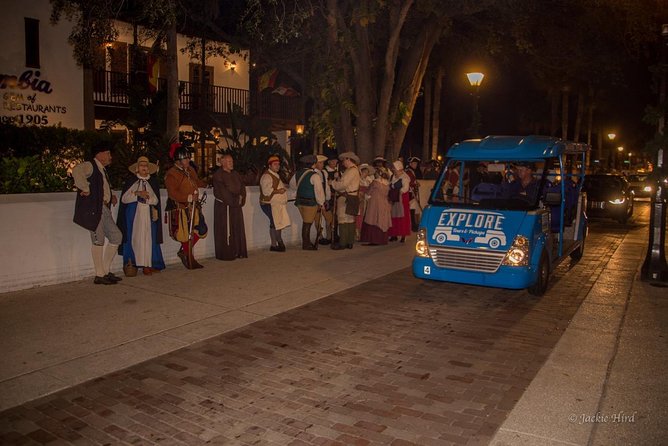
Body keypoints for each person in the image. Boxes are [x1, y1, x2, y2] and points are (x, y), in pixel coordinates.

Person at [72, 143, 123, 285]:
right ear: (99, 154)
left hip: (103, 208)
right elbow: (76, 171)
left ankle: (105, 271)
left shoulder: (101, 170)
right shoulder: (90, 166)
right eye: (107, 153)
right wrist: (85, 188)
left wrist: (110, 196)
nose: (110, 156)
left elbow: (102, 187)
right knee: (98, 239)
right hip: (95, 208)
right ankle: (99, 274)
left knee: (116, 236)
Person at [117, 156, 165, 276]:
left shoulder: (152, 182)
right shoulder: (131, 182)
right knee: (136, 239)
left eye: (146, 166)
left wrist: (147, 198)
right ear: (137, 169)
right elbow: (124, 198)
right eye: (141, 165)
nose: (144, 168)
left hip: (148, 217)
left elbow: (156, 200)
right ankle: (133, 263)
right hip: (134, 217)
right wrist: (138, 194)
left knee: (148, 240)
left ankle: (147, 265)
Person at [165, 143, 208, 269]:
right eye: (186, 158)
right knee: (184, 234)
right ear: (178, 160)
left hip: (194, 206)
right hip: (181, 207)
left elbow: (196, 181)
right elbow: (172, 193)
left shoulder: (190, 170)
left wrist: (206, 185)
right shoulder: (171, 174)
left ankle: (184, 252)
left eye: (189, 158)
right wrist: (188, 197)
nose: (189, 160)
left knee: (201, 229)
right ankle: (188, 256)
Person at [212, 153, 247, 260]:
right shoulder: (218, 175)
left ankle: (238, 251)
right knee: (225, 229)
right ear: (222, 163)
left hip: (236, 206)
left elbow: (242, 187)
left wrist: (241, 197)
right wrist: (236, 200)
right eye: (229, 162)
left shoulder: (236, 174)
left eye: (232, 161)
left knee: (237, 227)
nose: (232, 163)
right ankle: (227, 253)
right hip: (224, 207)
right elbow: (223, 192)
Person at [291, 154, 327, 250]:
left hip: (300, 202)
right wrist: (322, 203)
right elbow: (319, 191)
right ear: (313, 164)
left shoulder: (298, 174)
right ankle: (306, 244)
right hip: (310, 203)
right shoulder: (315, 176)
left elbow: (292, 185)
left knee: (306, 222)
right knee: (307, 224)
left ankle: (307, 243)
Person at [330, 151, 361, 250]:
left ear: (348, 159)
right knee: (349, 219)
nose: (343, 162)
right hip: (352, 196)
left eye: (344, 160)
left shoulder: (351, 171)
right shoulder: (353, 170)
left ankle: (343, 243)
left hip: (346, 197)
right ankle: (349, 242)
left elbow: (343, 185)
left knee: (343, 219)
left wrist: (333, 183)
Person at [260, 155, 291, 252]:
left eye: (278, 164)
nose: (277, 166)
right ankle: (278, 242)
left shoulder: (274, 175)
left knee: (275, 223)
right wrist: (278, 191)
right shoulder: (266, 176)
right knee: (276, 223)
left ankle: (274, 244)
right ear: (269, 166)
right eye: (275, 164)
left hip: (275, 204)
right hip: (269, 204)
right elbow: (266, 191)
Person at [360, 167, 393, 245]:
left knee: (374, 220)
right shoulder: (387, 183)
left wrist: (365, 196)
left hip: (375, 204)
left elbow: (368, 192)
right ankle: (383, 239)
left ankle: (374, 240)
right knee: (382, 220)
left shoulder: (375, 182)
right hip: (385, 203)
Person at [388, 160, 411, 242]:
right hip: (394, 198)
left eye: (394, 168)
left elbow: (405, 188)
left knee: (402, 217)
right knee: (393, 216)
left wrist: (397, 192)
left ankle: (403, 235)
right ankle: (393, 234)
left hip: (402, 198)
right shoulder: (392, 177)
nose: (393, 170)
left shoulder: (404, 178)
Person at [356, 163, 374, 239]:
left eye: (367, 172)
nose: (366, 174)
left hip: (366, 200)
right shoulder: (358, 180)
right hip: (359, 200)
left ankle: (364, 233)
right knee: (359, 216)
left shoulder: (367, 180)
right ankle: (358, 233)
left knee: (365, 216)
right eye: (365, 172)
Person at [406, 156, 422, 231]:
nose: (415, 165)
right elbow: (408, 182)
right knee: (410, 209)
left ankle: (412, 225)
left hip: (412, 193)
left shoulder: (411, 171)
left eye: (416, 163)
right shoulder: (408, 172)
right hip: (409, 193)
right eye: (414, 163)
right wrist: (415, 184)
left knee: (412, 209)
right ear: (410, 164)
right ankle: (412, 225)